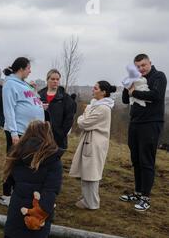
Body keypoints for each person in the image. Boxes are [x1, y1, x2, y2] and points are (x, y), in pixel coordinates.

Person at [121, 54, 167, 212]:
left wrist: (134, 93)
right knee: (136, 159)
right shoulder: (135, 77)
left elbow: (156, 96)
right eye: (138, 66)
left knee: (146, 159)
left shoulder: (159, 76)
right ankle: (138, 192)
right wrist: (128, 85)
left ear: (150, 63)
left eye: (143, 65)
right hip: (135, 123)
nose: (141, 68)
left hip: (151, 123)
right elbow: (126, 100)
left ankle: (146, 197)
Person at [0, 57, 45, 207]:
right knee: (13, 163)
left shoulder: (23, 85)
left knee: (26, 164)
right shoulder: (10, 84)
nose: (30, 71)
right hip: (17, 131)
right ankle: (7, 195)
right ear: (21, 68)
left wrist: (39, 105)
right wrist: (13, 133)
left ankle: (20, 192)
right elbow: (9, 109)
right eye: (29, 68)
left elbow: (31, 101)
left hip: (30, 131)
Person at [69, 81, 116, 210]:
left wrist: (84, 114)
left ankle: (92, 203)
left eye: (95, 88)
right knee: (87, 171)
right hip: (90, 141)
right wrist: (85, 114)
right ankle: (87, 198)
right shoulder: (96, 105)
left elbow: (83, 123)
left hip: (95, 143)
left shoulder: (103, 108)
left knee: (92, 173)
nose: (92, 90)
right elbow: (85, 120)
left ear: (103, 92)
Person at [38, 69, 75, 149]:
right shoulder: (39, 96)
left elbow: (69, 119)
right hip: (40, 136)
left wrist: (61, 134)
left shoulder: (65, 98)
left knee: (53, 160)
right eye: (52, 79)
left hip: (58, 139)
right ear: (47, 80)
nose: (55, 81)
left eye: (57, 79)